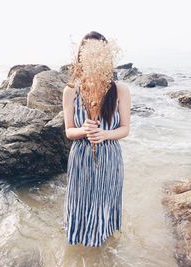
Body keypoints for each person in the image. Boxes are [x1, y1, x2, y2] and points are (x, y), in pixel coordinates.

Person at [62, 31, 131, 247]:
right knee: (80, 204)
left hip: (109, 156)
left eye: (98, 50)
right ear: (81, 55)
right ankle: (80, 249)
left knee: (104, 205)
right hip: (81, 157)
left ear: (106, 54)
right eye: (87, 50)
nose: (92, 55)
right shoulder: (71, 91)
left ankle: (104, 251)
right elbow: (69, 131)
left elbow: (125, 129)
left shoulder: (120, 90)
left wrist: (104, 134)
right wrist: (84, 130)